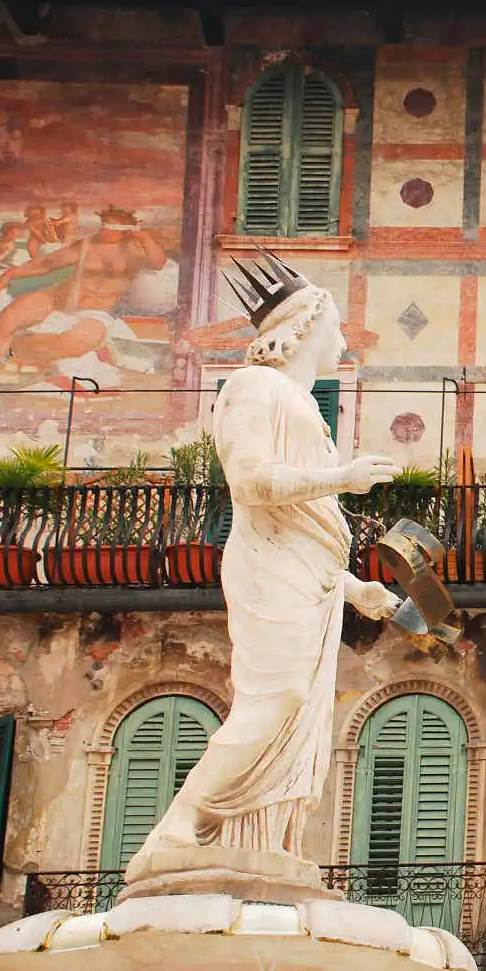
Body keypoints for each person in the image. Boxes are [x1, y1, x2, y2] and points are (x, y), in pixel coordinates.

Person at [126, 253, 400, 880]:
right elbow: (250, 483)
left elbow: (306, 525)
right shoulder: (253, 387)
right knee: (278, 697)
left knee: (298, 712)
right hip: (267, 564)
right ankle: (177, 830)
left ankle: (261, 841)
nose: (343, 341)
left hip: (308, 572)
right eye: (335, 327)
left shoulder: (301, 403)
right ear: (304, 327)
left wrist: (355, 590)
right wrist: (344, 478)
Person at [0, 206, 167, 389]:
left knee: (75, 343)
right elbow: (47, 264)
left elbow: (158, 263)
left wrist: (144, 237)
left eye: (111, 227)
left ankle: (18, 350)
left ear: (127, 229)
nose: (105, 230)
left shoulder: (135, 251)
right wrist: (9, 274)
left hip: (95, 312)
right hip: (57, 298)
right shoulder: (87, 245)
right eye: (104, 224)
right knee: (10, 316)